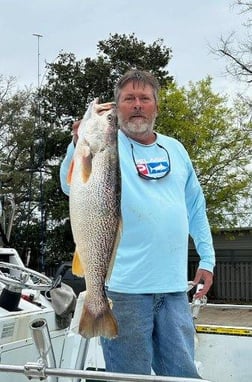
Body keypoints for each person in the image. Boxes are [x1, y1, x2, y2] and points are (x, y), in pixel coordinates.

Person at [60, 69, 215, 379]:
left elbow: (195, 205)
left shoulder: (176, 149)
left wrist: (207, 257)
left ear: (156, 106)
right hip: (124, 290)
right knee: (130, 376)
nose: (137, 105)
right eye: (128, 98)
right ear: (117, 107)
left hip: (173, 289)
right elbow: (70, 185)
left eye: (145, 98)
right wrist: (76, 143)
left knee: (182, 374)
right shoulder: (105, 144)